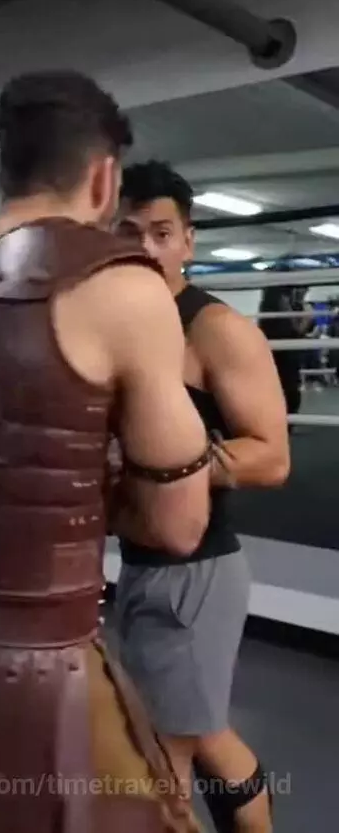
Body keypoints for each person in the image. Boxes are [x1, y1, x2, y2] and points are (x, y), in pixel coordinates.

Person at [0, 74, 213, 833]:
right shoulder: (122, 284)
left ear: (5, 164)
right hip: (32, 673)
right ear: (103, 176)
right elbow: (181, 526)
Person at [113, 161, 290, 833]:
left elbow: (271, 456)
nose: (146, 248)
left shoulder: (215, 330)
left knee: (162, 761)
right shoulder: (125, 325)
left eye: (161, 232)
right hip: (140, 563)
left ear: (188, 240)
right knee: (205, 734)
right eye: (130, 233)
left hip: (196, 576)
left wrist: (166, 467)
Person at [259, 282, 313, 418]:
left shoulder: (276, 303)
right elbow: (297, 329)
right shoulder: (281, 302)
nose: (301, 292)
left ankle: (282, 421)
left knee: (284, 388)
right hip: (281, 353)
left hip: (282, 352)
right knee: (286, 389)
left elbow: (299, 330)